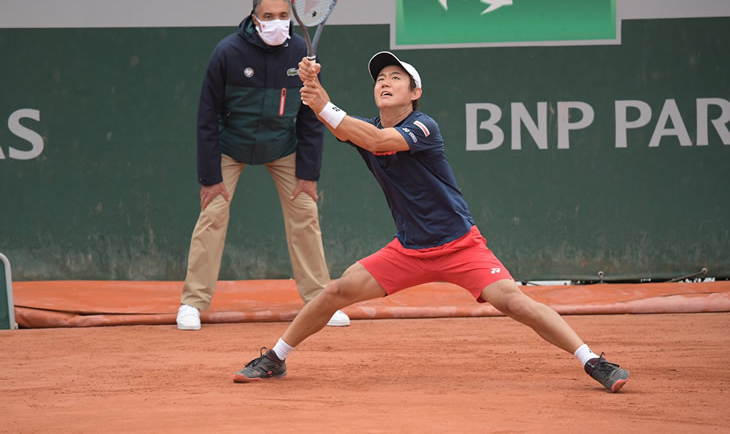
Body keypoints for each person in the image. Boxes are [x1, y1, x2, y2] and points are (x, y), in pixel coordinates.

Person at [231, 51, 629, 393]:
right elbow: (348, 129)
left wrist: (323, 104)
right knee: (337, 291)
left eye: (396, 78)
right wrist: (314, 87)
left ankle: (592, 360)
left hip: (460, 245)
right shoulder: (365, 126)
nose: (386, 82)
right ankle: (277, 358)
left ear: (414, 93)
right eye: (381, 78)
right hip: (408, 250)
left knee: (514, 302)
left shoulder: (424, 126)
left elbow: (377, 142)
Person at [176, 0, 349, 330]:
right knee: (212, 214)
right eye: (268, 17)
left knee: (305, 213)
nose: (276, 23)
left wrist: (308, 174)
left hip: (283, 146)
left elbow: (312, 116)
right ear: (255, 19)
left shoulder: (302, 53)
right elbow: (207, 117)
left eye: (283, 16)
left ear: (291, 18)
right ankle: (192, 303)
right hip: (231, 146)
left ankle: (319, 300)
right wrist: (209, 177)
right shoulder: (226, 53)